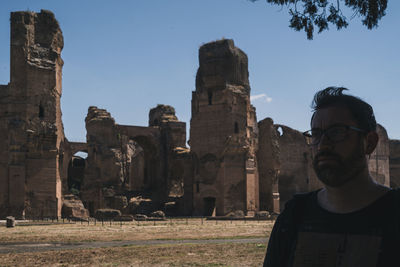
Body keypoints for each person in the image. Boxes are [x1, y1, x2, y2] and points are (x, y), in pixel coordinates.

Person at [263, 87, 399, 267]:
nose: (322, 145)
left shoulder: (395, 213)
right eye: (316, 134)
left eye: (337, 132)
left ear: (370, 143)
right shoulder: (293, 217)